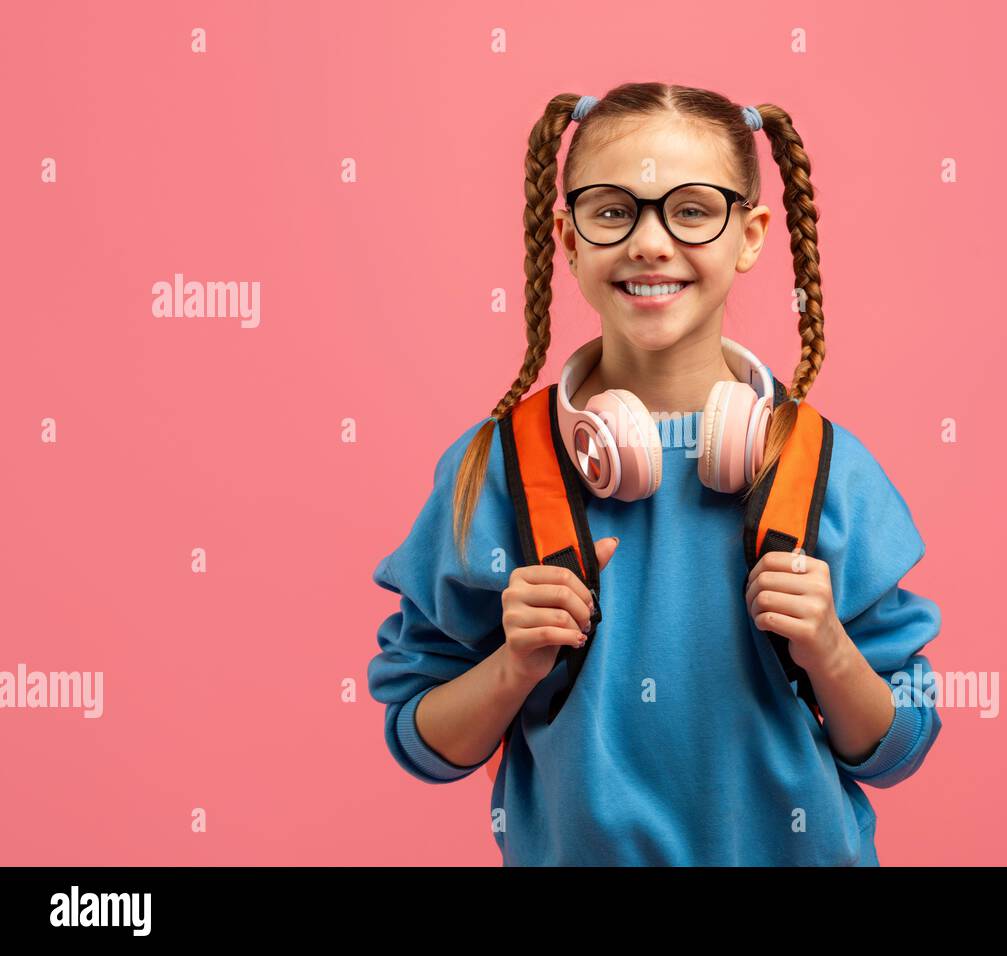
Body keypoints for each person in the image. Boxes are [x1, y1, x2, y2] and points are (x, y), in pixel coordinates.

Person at [367, 82, 942, 865]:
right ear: (567, 240)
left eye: (693, 210)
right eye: (613, 210)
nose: (650, 243)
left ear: (751, 235)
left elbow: (897, 746)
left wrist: (830, 650)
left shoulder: (822, 469)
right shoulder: (500, 470)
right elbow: (423, 740)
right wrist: (512, 666)